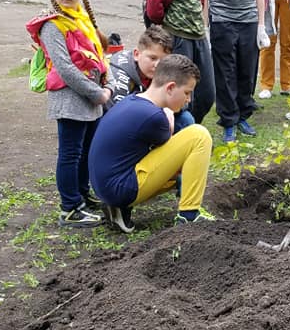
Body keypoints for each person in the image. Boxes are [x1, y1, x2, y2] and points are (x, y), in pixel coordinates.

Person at [26, 0, 111, 227]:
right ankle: (70, 207)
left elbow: (96, 55)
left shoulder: (80, 18)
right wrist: (96, 93)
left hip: (90, 98)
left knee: (87, 151)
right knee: (70, 153)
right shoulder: (52, 25)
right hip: (71, 99)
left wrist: (103, 85)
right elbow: (64, 68)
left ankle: (81, 196)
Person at [89, 54, 214, 233]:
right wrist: (169, 116)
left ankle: (119, 208)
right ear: (170, 87)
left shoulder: (134, 100)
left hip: (106, 187)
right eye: (187, 93)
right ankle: (189, 216)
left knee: (186, 166)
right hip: (120, 189)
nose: (188, 100)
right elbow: (172, 154)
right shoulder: (155, 117)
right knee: (199, 136)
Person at [205, 0, 268, 143]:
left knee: (247, 70)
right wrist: (205, 26)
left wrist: (261, 25)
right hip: (222, 22)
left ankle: (243, 114)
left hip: (248, 23)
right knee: (225, 72)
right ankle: (229, 120)